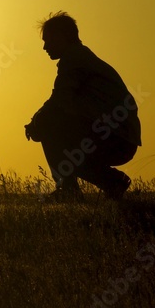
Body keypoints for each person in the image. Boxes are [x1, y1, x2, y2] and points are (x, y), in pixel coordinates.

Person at [25, 12, 141, 200]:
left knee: (48, 124)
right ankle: (108, 181)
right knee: (50, 123)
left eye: (48, 40)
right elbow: (61, 101)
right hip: (118, 136)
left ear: (63, 37)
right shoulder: (81, 57)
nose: (45, 47)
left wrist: (36, 120)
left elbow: (59, 100)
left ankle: (71, 189)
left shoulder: (74, 60)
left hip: (115, 138)